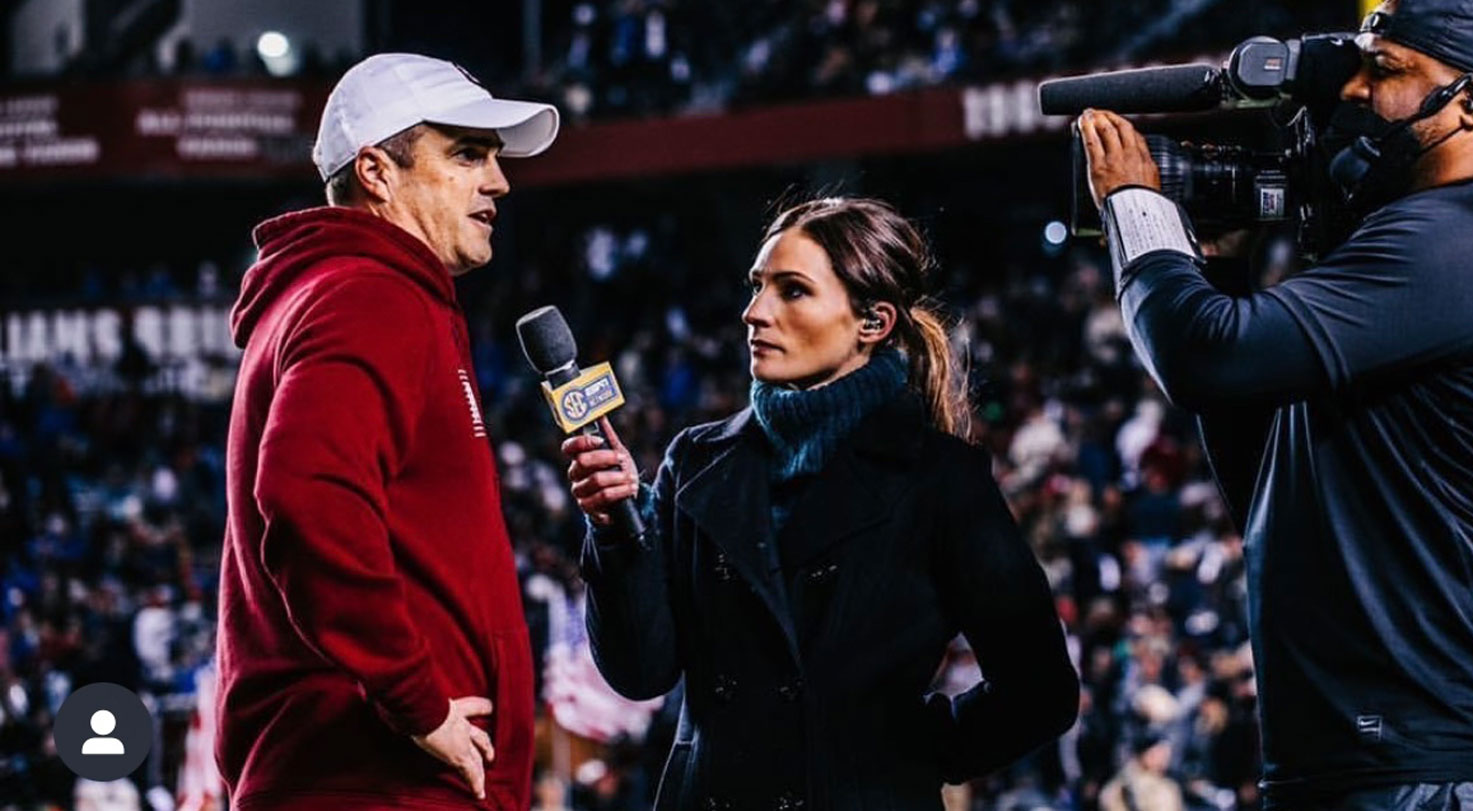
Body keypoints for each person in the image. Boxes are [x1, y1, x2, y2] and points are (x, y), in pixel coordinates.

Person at [1077, 0, 1473, 807]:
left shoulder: (1464, 236)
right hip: (1358, 754)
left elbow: (1203, 356)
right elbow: (1267, 490)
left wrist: (1135, 203)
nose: (1352, 92)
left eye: (1385, 71)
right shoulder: (1423, 244)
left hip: (1426, 761)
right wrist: (1222, 271)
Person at [562, 197, 1078, 809]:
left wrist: (908, 757)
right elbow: (641, 672)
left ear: (873, 323)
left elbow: (1040, 691)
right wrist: (618, 531)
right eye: (757, 287)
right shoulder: (696, 461)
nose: (754, 313)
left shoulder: (942, 479)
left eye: (793, 291)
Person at [217, 53, 558, 810]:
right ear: (377, 171)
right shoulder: (369, 295)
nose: (498, 181)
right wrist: (418, 700)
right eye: (467, 153)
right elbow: (308, 501)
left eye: (495, 158)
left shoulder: (339, 293)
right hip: (376, 779)